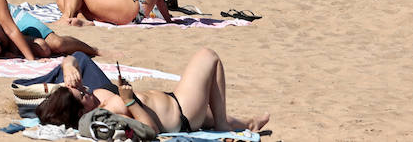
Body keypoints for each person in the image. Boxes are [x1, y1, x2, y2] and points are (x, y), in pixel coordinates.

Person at [36, 48, 269, 134]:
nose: (85, 89)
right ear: (79, 112)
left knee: (218, 114)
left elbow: (75, 58)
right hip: (182, 112)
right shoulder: (109, 110)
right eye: (82, 95)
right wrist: (130, 101)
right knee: (208, 56)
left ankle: (249, 124)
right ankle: (221, 126)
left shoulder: (93, 102)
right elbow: (151, 130)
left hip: (174, 105)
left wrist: (68, 67)